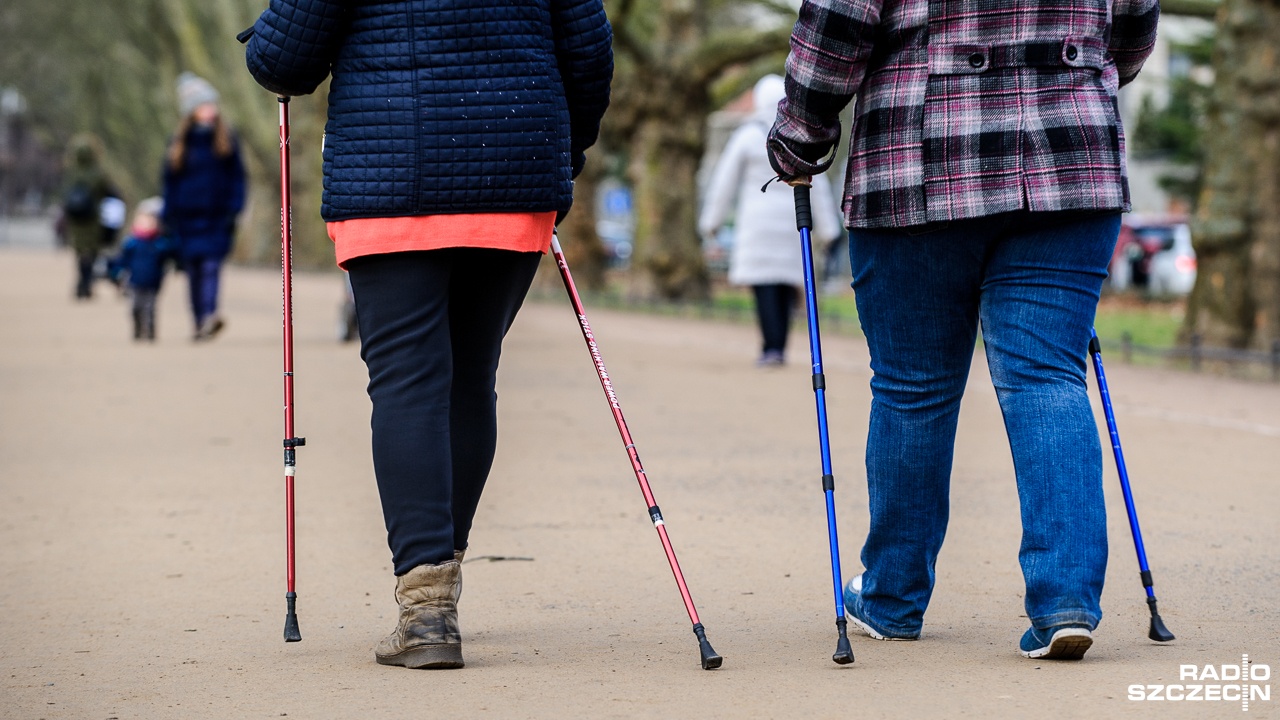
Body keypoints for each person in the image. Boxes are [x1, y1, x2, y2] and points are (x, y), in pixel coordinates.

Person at [767, 0, 1158, 659]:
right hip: (1071, 160)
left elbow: (838, 23)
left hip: (919, 160)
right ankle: (1065, 601)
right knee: (1046, 376)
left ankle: (891, 598)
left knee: (912, 386)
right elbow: (1135, 26)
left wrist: (800, 137)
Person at [245, 0, 613, 669]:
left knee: (408, 383)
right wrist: (565, 151)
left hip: (391, 173)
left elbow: (282, 63)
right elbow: (588, 55)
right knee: (471, 377)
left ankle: (427, 608)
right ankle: (442, 583)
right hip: (515, 168)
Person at [699, 75, 841, 367]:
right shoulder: (799, 137)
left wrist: (710, 223)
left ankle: (770, 347)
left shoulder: (747, 135)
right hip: (792, 220)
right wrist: (828, 230)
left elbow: (723, 182)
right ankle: (779, 344)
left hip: (757, 225)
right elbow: (819, 186)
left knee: (764, 286)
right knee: (788, 284)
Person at [162, 73, 246, 341]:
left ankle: (210, 315)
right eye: (203, 106)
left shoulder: (227, 141)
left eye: (212, 105)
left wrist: (235, 209)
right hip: (186, 219)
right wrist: (168, 216)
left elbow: (239, 178)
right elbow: (169, 183)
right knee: (193, 272)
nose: (210, 110)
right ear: (191, 112)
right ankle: (198, 321)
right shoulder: (178, 145)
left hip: (216, 217)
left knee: (211, 267)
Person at [109, 197, 176, 341]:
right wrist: (115, 272)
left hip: (153, 282)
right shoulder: (131, 244)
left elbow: (173, 253)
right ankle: (138, 328)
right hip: (134, 282)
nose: (147, 224)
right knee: (135, 308)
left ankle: (151, 331)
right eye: (144, 220)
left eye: (151, 221)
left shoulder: (161, 244)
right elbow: (122, 260)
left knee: (150, 308)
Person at [59, 134, 117, 300]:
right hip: (93, 219)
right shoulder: (98, 174)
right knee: (91, 251)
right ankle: (86, 283)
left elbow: (65, 194)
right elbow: (109, 193)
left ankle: (82, 283)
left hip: (76, 220)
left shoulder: (71, 173)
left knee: (79, 251)